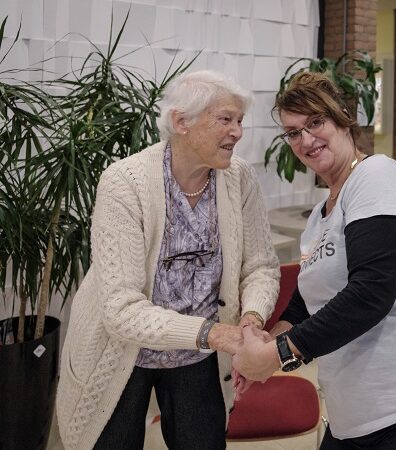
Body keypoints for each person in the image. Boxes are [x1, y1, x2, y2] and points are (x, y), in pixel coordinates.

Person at [232, 72, 396, 449]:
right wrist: (264, 344)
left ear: (342, 118)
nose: (306, 140)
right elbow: (307, 302)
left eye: (316, 122)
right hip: (356, 416)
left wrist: (277, 355)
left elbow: (372, 293)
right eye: (292, 132)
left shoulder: (377, 176)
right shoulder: (321, 214)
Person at [55, 70, 280, 450]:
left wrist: (250, 319)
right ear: (181, 122)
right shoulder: (124, 182)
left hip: (199, 355)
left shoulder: (239, 178)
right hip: (122, 352)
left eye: (240, 121)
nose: (238, 132)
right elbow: (121, 309)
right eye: (226, 119)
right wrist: (216, 334)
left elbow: (260, 266)